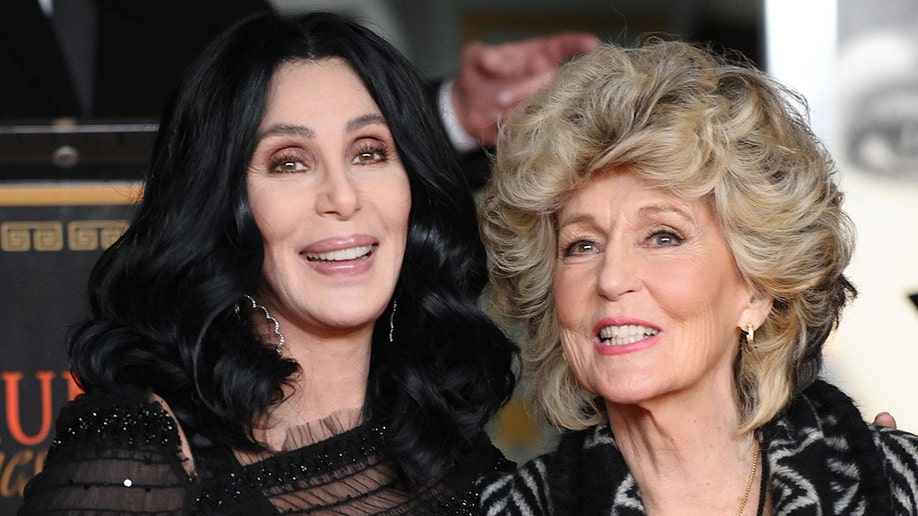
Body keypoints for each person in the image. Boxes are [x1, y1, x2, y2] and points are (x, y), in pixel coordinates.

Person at [19, 11, 519, 514]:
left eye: (368, 153)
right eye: (288, 162)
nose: (342, 197)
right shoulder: (138, 454)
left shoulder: (467, 461)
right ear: (221, 205)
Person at [477, 40, 918, 514]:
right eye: (582, 245)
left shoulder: (896, 486)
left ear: (756, 287)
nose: (611, 278)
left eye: (663, 237)